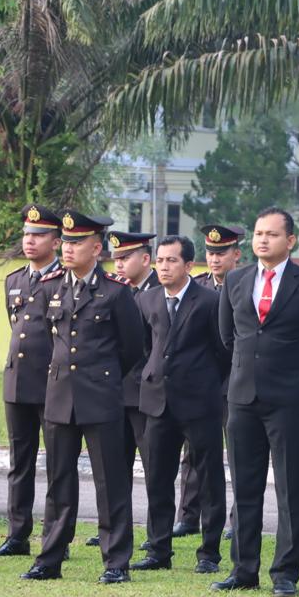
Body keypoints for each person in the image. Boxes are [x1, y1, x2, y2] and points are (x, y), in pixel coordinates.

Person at [212, 207, 299, 597]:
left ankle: (285, 572)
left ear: (290, 240)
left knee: (290, 486)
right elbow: (227, 337)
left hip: (288, 397)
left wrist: (298, 363)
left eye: (271, 234)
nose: (262, 240)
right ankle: (243, 569)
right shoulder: (236, 280)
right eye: (257, 233)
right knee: (245, 487)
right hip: (242, 397)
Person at [20, 211, 143, 584]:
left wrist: (102, 377)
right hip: (59, 396)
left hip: (101, 396)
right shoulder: (50, 287)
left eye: (76, 243)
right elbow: (48, 339)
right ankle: (50, 558)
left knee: (110, 481)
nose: (69, 249)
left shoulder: (116, 291)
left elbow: (133, 347)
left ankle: (116, 561)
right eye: (66, 242)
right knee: (58, 481)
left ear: (96, 247)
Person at [132, 236, 231, 574]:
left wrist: (206, 384)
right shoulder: (147, 300)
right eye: (160, 260)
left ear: (189, 265)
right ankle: (158, 550)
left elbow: (223, 351)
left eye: (172, 260)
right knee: (158, 478)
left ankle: (209, 553)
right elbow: (145, 348)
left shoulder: (209, 301)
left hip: (200, 402)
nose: (164, 266)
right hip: (158, 402)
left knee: (208, 479)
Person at [0, 204, 63, 559]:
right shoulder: (14, 280)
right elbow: (18, 328)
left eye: (39, 235)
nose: (30, 241)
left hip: (54, 383)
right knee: (20, 463)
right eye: (27, 234)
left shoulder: (66, 279)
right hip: (18, 383)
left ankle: (56, 539)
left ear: (57, 241)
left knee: (58, 465)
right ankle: (17, 535)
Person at [178, 224, 245, 537]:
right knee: (192, 453)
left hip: (234, 380)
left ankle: (236, 519)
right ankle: (188, 516)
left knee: (238, 453)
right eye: (210, 252)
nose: (215, 259)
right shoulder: (197, 287)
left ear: (236, 255)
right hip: (201, 383)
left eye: (222, 253)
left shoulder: (244, 285)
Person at [104, 230, 160, 548]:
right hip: (114, 392)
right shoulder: (114, 291)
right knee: (115, 468)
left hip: (146, 393)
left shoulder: (158, 291)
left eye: (125, 258)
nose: (120, 265)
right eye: (116, 259)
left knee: (153, 468)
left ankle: (156, 534)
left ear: (145, 258)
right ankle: (115, 528)